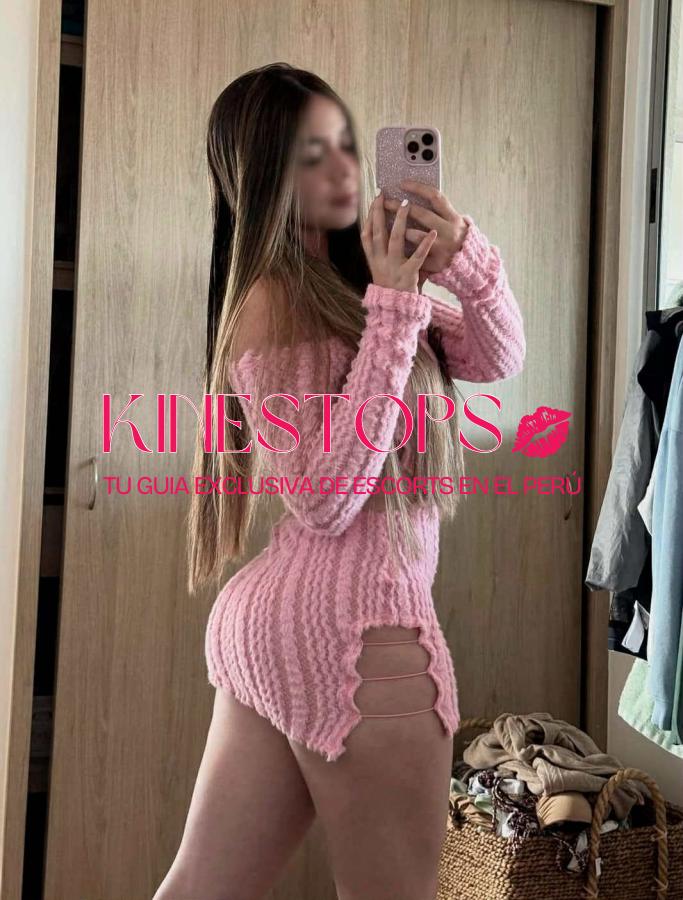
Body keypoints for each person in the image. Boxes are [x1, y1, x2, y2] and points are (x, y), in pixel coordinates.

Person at [153, 62, 525, 900]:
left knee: (203, 887)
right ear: (263, 178)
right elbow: (324, 497)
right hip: (358, 633)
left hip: (289, 625)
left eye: (346, 144)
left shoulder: (360, 283)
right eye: (310, 153)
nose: (343, 169)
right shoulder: (272, 300)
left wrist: (461, 257)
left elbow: (496, 355)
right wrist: (393, 305)